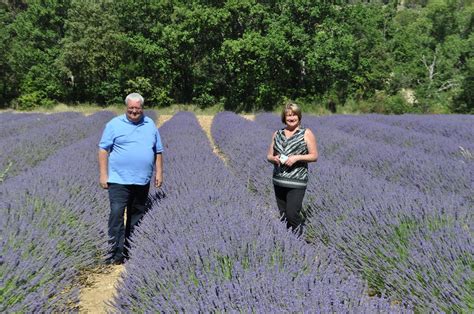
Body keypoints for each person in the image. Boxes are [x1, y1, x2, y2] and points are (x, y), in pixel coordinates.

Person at [98, 93, 163, 265]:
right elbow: (103, 149)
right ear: (126, 107)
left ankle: (130, 251)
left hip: (142, 180)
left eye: (137, 108)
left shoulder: (150, 125)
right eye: (131, 108)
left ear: (142, 108)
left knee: (136, 216)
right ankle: (115, 254)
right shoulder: (114, 125)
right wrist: (104, 174)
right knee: (116, 215)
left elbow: (158, 150)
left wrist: (159, 172)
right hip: (119, 179)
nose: (134, 111)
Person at [267, 102, 318, 235]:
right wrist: (274, 159)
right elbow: (269, 156)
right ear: (284, 117)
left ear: (299, 116)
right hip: (279, 180)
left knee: (292, 214)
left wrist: (297, 157)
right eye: (288, 115)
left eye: (294, 115)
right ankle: (289, 241)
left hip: (297, 180)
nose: (291, 118)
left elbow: (314, 156)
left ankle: (300, 244)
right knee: (283, 216)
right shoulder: (277, 133)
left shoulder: (306, 133)